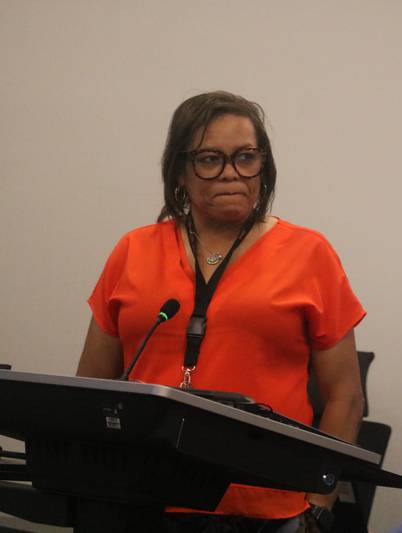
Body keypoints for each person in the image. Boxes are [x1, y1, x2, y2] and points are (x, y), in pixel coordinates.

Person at [77, 91, 365, 533]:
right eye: (210, 159)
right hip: (139, 499)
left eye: (246, 157)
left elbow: (345, 395)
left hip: (266, 509)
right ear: (179, 171)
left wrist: (317, 508)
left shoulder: (310, 254)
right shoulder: (132, 250)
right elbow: (91, 388)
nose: (232, 174)